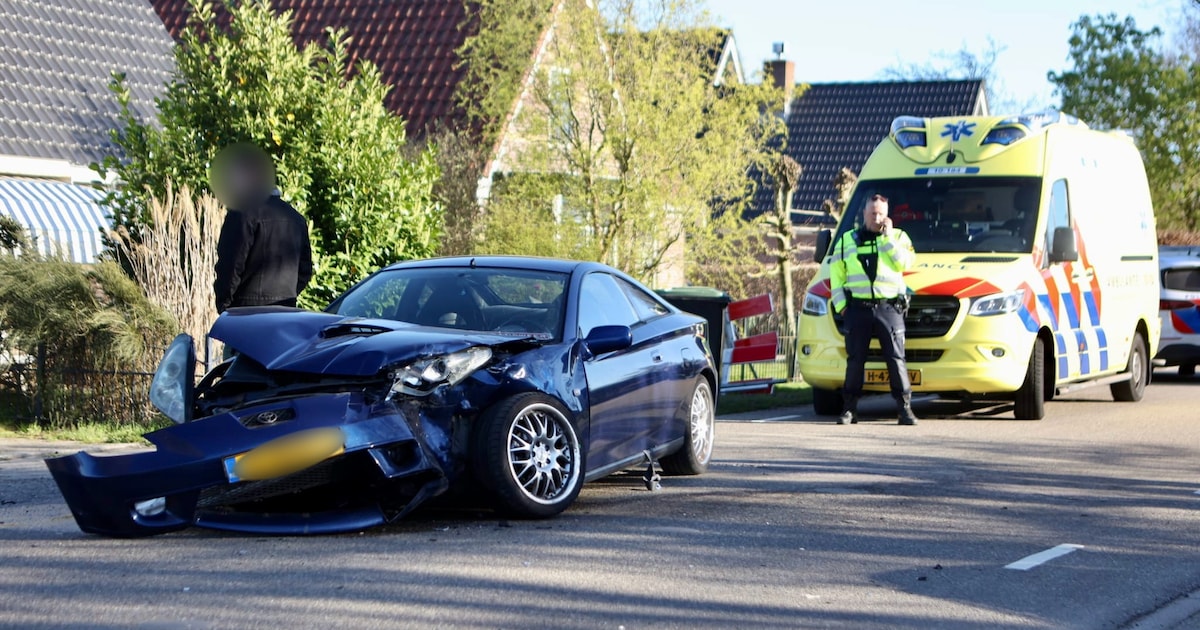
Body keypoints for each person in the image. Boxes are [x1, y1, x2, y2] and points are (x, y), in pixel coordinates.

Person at [829, 193, 919, 425]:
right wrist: (842, 308)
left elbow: (905, 264)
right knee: (855, 361)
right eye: (872, 213)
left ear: (887, 215)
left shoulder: (899, 237)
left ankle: (905, 410)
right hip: (857, 309)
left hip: (889, 308)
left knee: (896, 359)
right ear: (864, 214)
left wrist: (888, 238)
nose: (876, 218)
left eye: (880, 213)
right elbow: (837, 277)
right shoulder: (847, 240)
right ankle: (849, 410)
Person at [211, 142, 313, 313]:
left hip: (245, 314)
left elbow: (230, 264)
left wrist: (225, 305)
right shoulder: (296, 219)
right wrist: (285, 298)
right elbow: (305, 271)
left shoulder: (242, 212)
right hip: (285, 312)